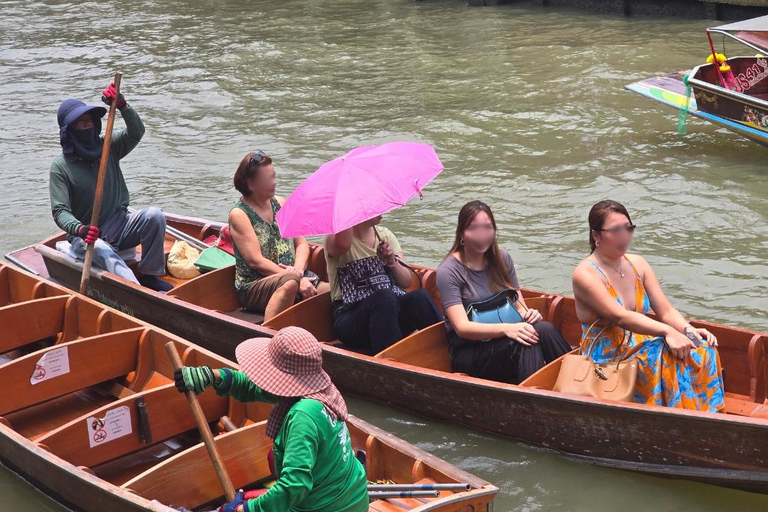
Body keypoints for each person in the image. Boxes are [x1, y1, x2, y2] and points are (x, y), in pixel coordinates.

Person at [174, 326, 368, 512]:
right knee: (272, 458)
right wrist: (212, 376)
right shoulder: (318, 389)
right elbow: (254, 387)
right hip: (352, 495)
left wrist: (246, 509)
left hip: (326, 508)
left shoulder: (303, 416)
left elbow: (295, 486)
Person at [572, 200, 725, 411]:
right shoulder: (585, 274)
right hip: (606, 356)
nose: (624, 236)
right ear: (596, 235)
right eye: (615, 230)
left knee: (703, 348)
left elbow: (666, 310)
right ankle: (676, 417)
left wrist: (687, 331)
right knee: (665, 354)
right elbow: (620, 317)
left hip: (639, 342)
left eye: (628, 228)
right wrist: (667, 332)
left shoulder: (638, 264)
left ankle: (705, 414)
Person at [49, 82, 171, 292]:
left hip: (120, 223)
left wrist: (123, 106)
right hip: (87, 235)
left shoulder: (107, 146)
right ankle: (136, 291)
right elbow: (60, 212)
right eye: (81, 123)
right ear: (69, 131)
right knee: (103, 251)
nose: (87, 126)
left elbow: (136, 132)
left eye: (89, 121)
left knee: (155, 215)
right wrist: (80, 229)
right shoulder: (61, 167)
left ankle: (149, 275)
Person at [436, 201, 571, 384]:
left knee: (545, 329)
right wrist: (507, 329)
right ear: (461, 233)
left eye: (487, 228)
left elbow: (519, 307)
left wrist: (529, 314)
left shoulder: (502, 258)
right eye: (473, 228)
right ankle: (533, 400)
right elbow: (462, 327)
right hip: (471, 350)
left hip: (505, 337)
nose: (481, 235)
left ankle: (574, 381)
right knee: (525, 341)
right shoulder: (449, 271)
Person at [229, 151, 329, 321]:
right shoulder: (239, 214)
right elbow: (255, 261)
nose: (274, 182)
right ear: (251, 184)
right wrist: (295, 278)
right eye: (268, 179)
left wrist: (298, 270)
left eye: (274, 176)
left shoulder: (280, 203)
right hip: (256, 285)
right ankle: (269, 335)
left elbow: (302, 243)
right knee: (290, 283)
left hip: (296, 276)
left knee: (335, 292)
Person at [324, 215, 442, 353]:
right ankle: (393, 361)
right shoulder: (335, 239)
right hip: (350, 318)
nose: (381, 211)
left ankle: (447, 351)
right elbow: (342, 245)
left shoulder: (385, 235)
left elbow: (407, 281)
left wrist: (391, 262)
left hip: (389, 311)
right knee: (384, 297)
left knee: (420, 297)